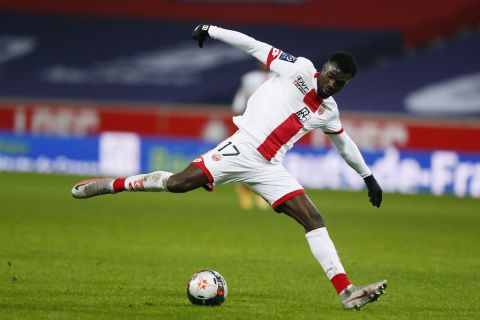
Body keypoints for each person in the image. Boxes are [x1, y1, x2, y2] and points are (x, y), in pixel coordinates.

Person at [71, 24, 386, 310]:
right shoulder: (299, 69)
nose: (333, 84)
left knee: (313, 218)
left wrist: (368, 176)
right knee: (179, 184)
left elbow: (344, 143)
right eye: (332, 76)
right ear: (325, 68)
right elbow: (254, 45)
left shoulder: (329, 111)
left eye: (341, 83)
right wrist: (212, 30)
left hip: (269, 167)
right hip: (241, 148)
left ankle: (347, 292)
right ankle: (113, 184)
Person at [232, 62, 273, 210]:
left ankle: (259, 191)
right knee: (251, 157)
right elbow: (241, 97)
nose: (265, 64)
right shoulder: (250, 78)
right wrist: (237, 113)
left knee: (268, 158)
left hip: (273, 124)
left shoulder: (281, 78)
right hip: (252, 122)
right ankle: (245, 189)